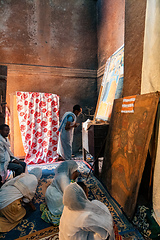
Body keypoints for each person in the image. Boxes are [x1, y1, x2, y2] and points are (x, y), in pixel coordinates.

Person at [0, 167, 42, 232]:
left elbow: (6, 184)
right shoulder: (34, 180)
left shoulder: (23, 175)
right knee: (21, 213)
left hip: (1, 194)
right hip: (9, 205)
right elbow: (27, 199)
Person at [40, 160, 79, 225]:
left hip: (53, 193)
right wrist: (73, 179)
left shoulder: (63, 174)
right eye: (74, 170)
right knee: (76, 205)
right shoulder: (63, 178)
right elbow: (69, 192)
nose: (76, 172)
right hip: (56, 199)